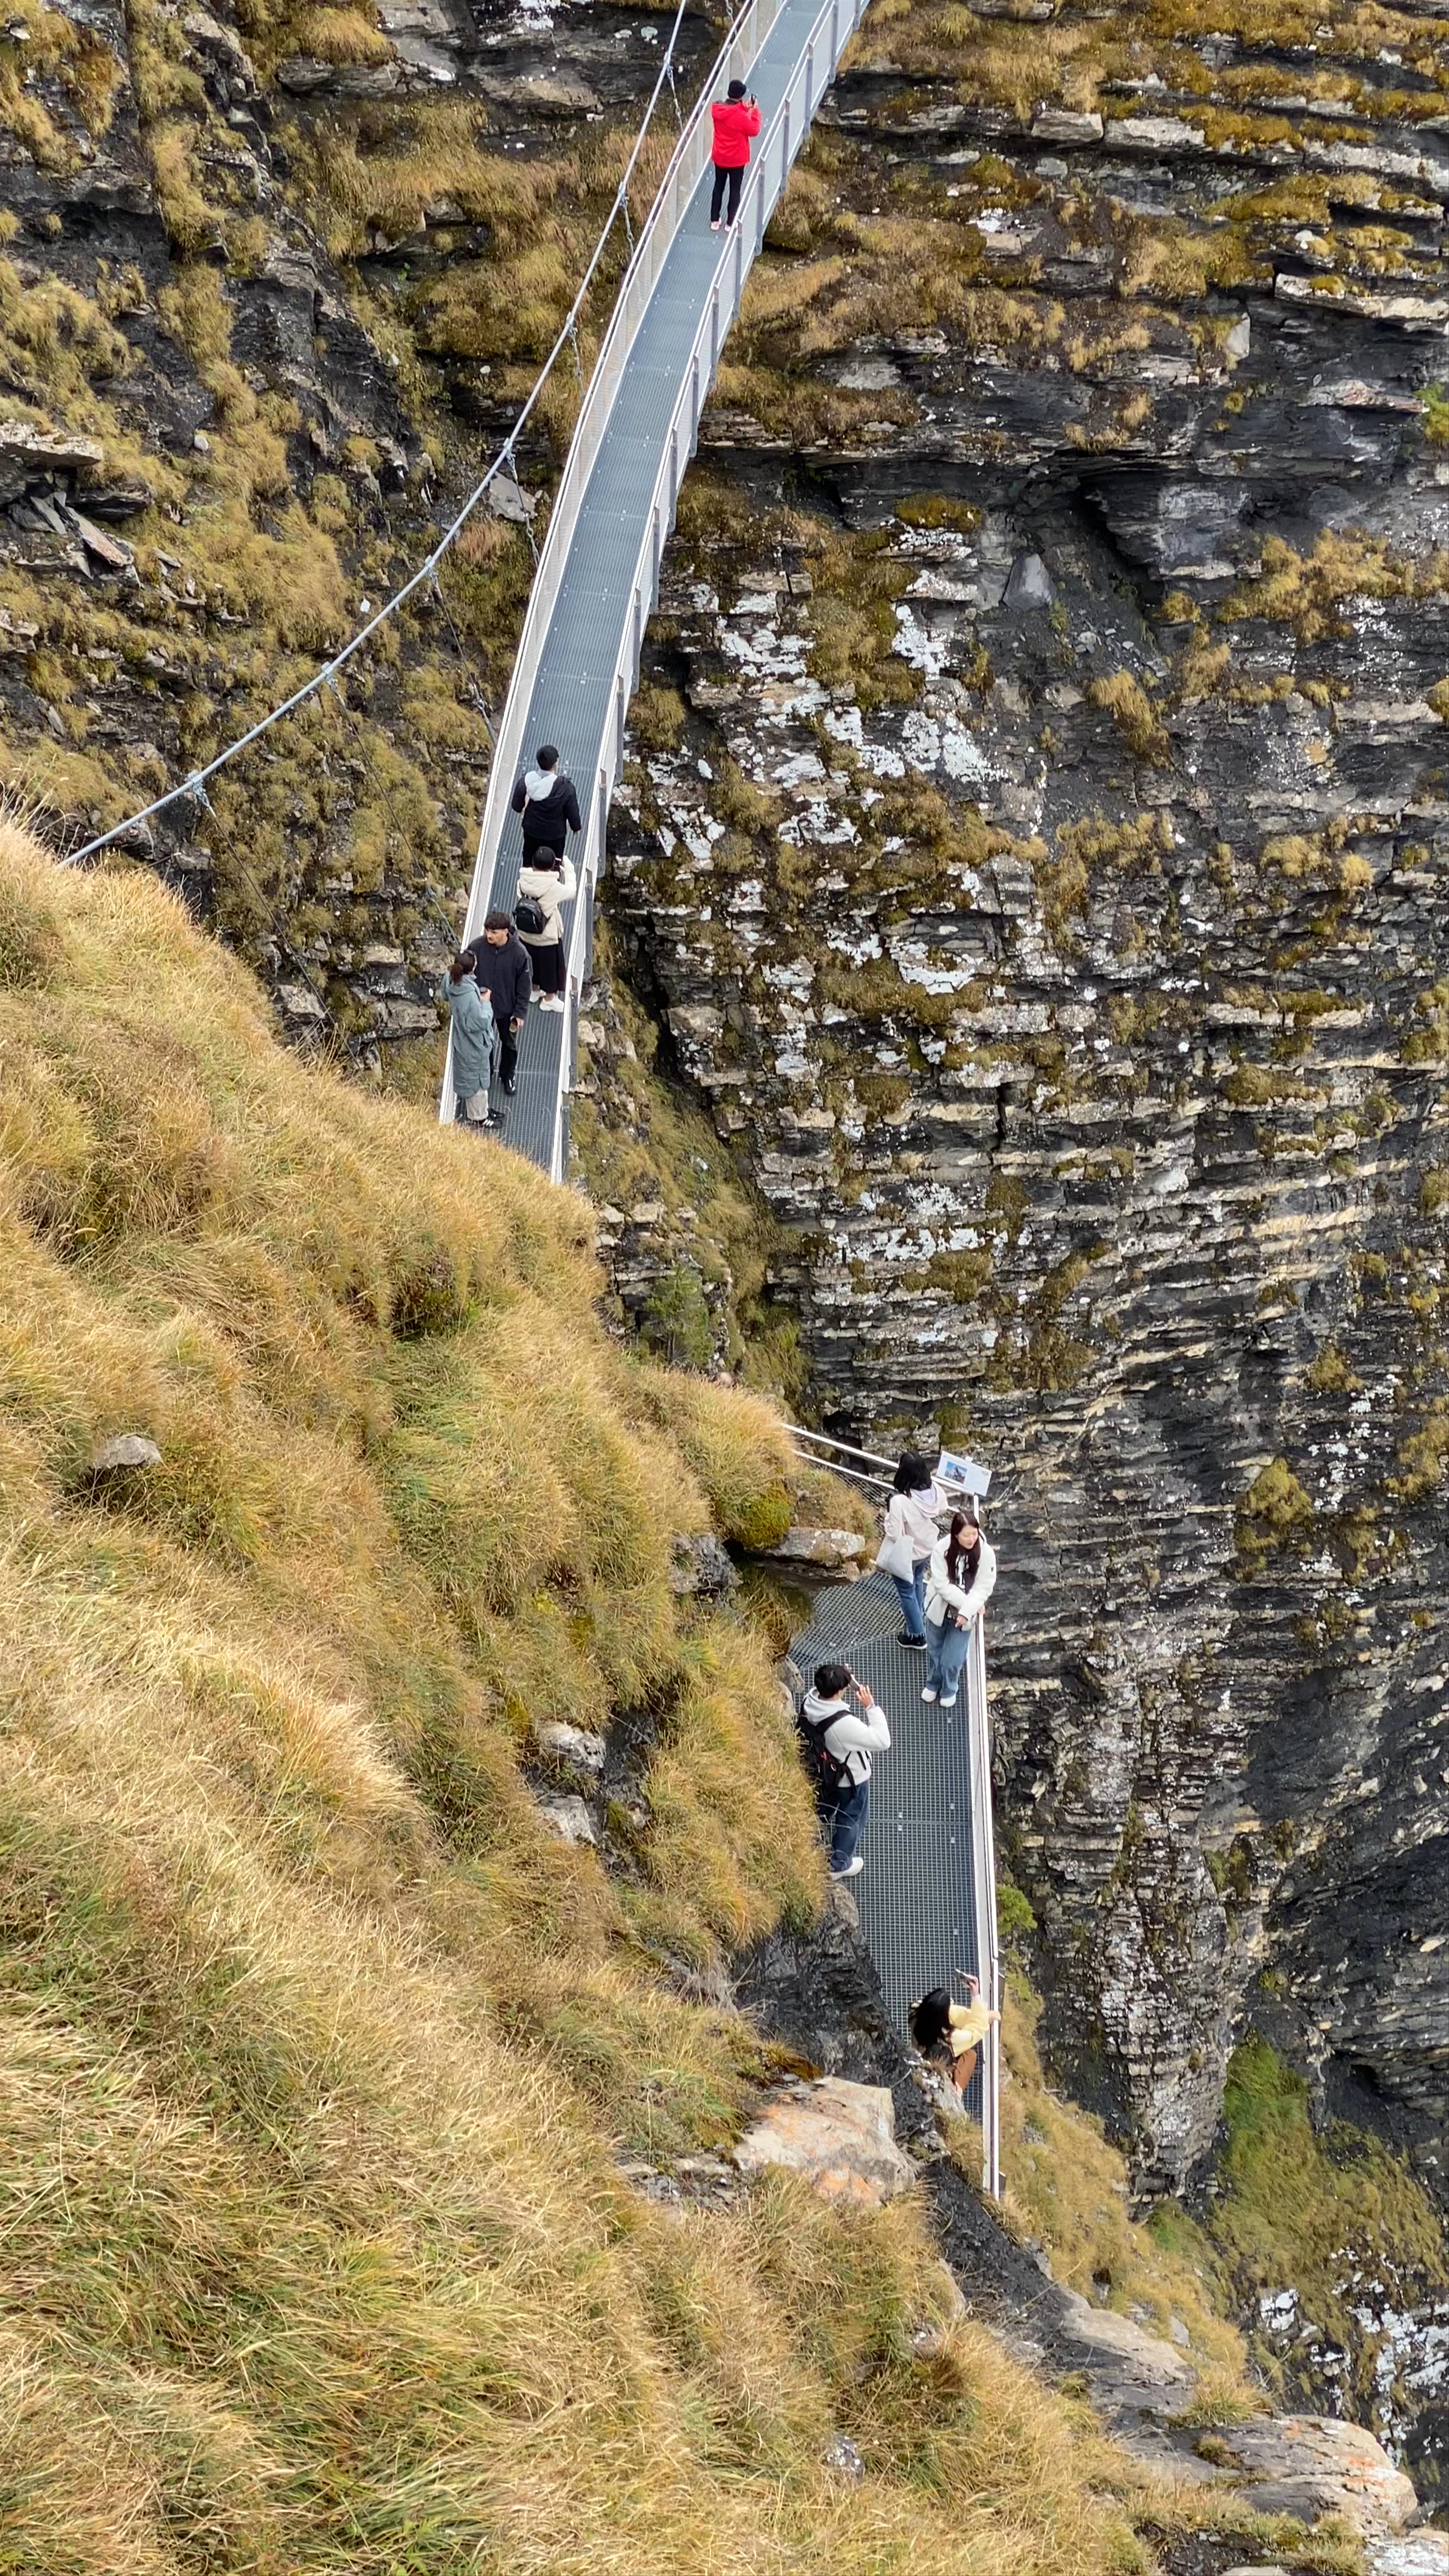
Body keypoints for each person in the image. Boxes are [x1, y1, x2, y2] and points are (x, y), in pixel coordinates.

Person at [799, 1660, 890, 1881]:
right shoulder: (843, 1724)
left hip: (826, 1770)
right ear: (838, 1692)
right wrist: (871, 1707)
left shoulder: (810, 1701)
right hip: (851, 1780)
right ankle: (840, 1864)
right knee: (852, 1819)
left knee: (826, 1803)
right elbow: (883, 1741)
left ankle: (817, 1824)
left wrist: (841, 1678)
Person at [921, 1510, 997, 1711]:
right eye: (966, 1535)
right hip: (940, 1609)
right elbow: (942, 1585)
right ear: (956, 1535)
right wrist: (970, 1605)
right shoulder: (942, 1549)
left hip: (965, 1617)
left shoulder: (986, 1554)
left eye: (974, 1534)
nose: (972, 1539)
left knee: (953, 1659)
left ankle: (949, 1689)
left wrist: (965, 1612)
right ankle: (933, 1683)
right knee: (935, 1650)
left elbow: (984, 1586)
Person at [875, 1449, 945, 1652]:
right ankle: (918, 1615)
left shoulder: (899, 1501)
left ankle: (917, 1636)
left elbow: (894, 1534)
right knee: (917, 1580)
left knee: (906, 1592)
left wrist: (889, 1515)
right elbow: (942, 1508)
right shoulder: (935, 1490)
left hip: (909, 1553)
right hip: (927, 1547)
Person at [465, 913, 531, 1095]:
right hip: (482, 1007)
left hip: (508, 1009)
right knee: (484, 1043)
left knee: (509, 1045)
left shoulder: (520, 954)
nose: (489, 935)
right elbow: (465, 972)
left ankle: (508, 1075)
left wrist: (519, 1013)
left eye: (493, 932)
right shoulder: (476, 947)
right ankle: (487, 1073)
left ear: (505, 931)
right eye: (487, 930)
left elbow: (524, 986)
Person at [909, 1971, 1000, 2096]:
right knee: (970, 2056)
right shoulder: (951, 2039)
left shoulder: (916, 2013)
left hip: (923, 2054)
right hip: (940, 2063)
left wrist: (985, 2016)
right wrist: (976, 1996)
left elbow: (953, 2013)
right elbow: (976, 2032)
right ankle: (958, 2091)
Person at [438, 953, 497, 1130]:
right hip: (474, 1042)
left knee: (471, 1073)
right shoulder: (470, 994)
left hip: (462, 1038)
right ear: (472, 968)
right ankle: (479, 1118)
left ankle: (483, 1111)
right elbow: (481, 1021)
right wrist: (485, 1003)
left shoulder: (450, 980)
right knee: (477, 1080)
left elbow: (445, 995)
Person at [514, 846, 577, 1012]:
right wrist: (570, 870)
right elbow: (572, 892)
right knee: (551, 968)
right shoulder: (554, 887)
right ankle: (550, 999)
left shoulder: (522, 881)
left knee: (532, 963)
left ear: (533, 863)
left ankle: (534, 990)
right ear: (552, 866)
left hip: (526, 933)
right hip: (547, 936)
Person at [511, 744, 581, 862]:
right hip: (556, 835)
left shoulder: (526, 781)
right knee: (555, 862)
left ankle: (528, 873)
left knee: (529, 859)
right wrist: (576, 827)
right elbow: (572, 810)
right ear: (556, 764)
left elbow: (516, 806)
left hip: (532, 831)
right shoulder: (565, 787)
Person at [709, 78, 760, 232]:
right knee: (735, 190)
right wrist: (754, 111)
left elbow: (732, 111)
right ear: (741, 96)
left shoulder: (717, 108)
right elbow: (754, 130)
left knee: (718, 187)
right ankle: (731, 223)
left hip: (720, 156)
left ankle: (714, 221)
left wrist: (745, 108)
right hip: (737, 159)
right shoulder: (741, 116)